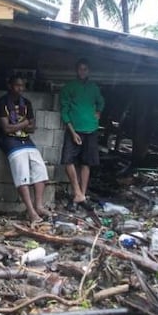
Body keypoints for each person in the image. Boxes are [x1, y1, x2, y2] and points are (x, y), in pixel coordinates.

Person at [0, 73, 51, 226]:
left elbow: (32, 128)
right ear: (10, 86)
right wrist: (25, 123)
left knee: (40, 168)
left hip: (26, 140)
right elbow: (6, 129)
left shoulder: (26, 103)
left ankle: (38, 206)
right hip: (10, 142)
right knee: (22, 174)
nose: (20, 88)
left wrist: (21, 125)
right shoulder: (2, 104)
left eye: (22, 86)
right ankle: (31, 212)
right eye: (17, 85)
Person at [60, 58, 104, 209]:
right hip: (75, 129)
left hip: (91, 129)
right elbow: (64, 111)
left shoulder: (94, 88)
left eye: (85, 69)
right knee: (68, 161)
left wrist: (98, 112)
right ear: (76, 71)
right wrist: (72, 132)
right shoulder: (69, 87)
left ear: (88, 71)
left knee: (86, 163)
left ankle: (81, 196)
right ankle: (77, 192)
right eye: (80, 69)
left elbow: (100, 101)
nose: (82, 72)